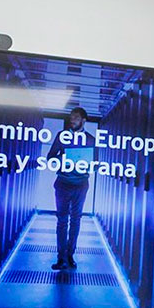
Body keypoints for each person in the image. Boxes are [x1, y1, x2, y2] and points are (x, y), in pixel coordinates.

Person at [47, 106, 90, 271]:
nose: (72, 120)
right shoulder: (61, 136)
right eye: (71, 117)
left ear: (83, 120)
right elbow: (50, 157)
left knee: (76, 220)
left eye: (76, 117)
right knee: (62, 221)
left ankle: (70, 255)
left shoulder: (91, 139)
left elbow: (96, 162)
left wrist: (84, 163)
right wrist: (64, 159)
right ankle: (61, 257)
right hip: (63, 183)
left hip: (81, 184)